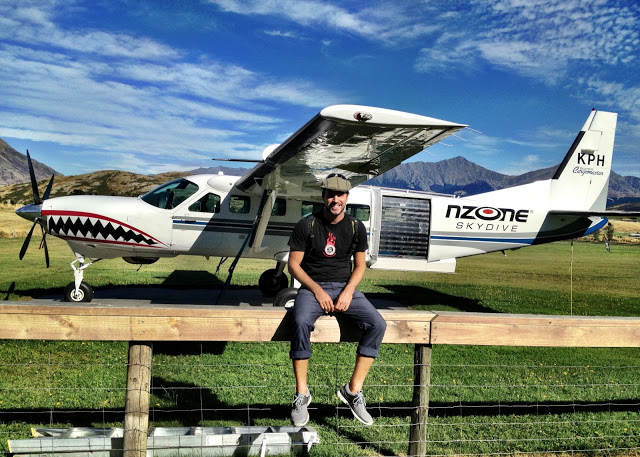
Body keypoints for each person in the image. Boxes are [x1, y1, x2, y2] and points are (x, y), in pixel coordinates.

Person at [287, 173, 387, 427]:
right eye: (331, 194)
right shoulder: (306, 224)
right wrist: (317, 290)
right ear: (323, 197)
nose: (335, 199)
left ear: (347, 197)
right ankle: (301, 395)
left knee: (378, 324)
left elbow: (361, 266)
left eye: (340, 194)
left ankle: (352, 391)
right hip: (312, 289)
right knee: (299, 322)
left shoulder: (356, 227)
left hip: (344, 288)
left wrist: (348, 291)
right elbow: (294, 265)